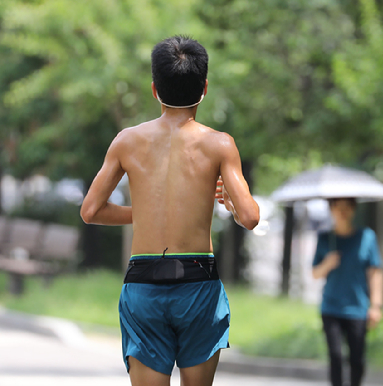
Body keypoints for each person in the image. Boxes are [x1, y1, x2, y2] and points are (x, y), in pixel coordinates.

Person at [80, 35, 259, 386]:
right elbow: (250, 217)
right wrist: (232, 205)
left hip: (144, 286)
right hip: (198, 284)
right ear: (204, 88)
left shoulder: (127, 140)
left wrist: (146, 212)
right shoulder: (220, 144)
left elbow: (91, 210)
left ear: (154, 89)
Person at [312, 197, 383, 386]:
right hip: (331, 307)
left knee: (357, 359)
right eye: (338, 207)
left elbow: (375, 272)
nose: (342, 212)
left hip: (358, 307)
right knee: (335, 356)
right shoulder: (325, 238)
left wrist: (376, 306)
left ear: (353, 210)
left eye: (347, 207)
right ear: (331, 210)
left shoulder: (366, 237)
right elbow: (315, 273)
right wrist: (327, 263)